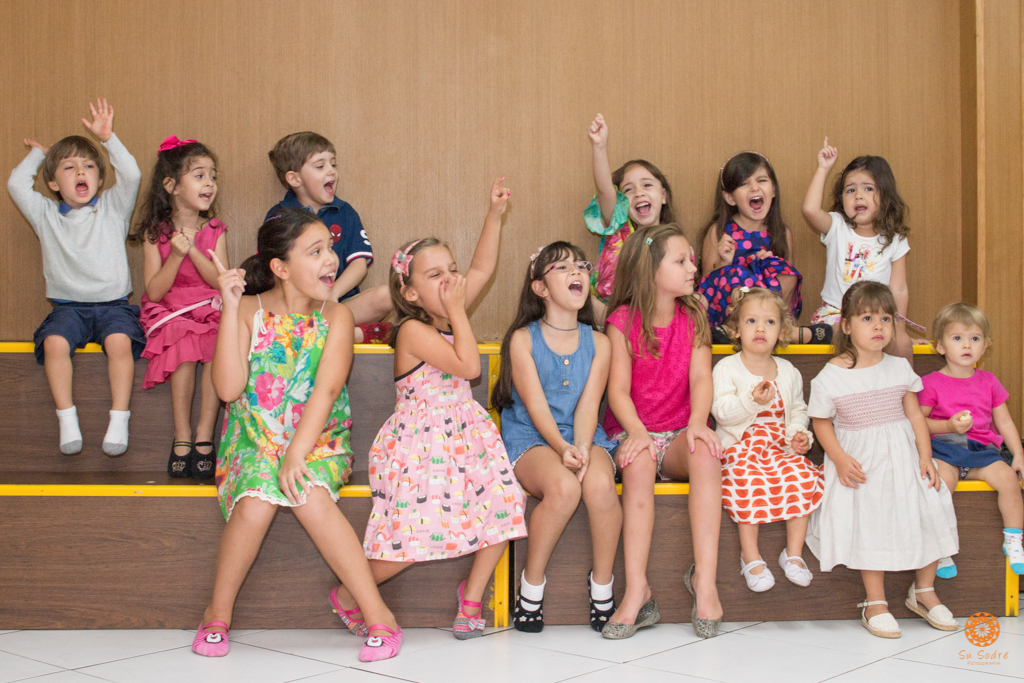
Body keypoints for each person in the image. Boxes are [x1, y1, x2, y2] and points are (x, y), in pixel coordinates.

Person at [194, 210, 402, 662]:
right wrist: (230, 310)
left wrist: (296, 454)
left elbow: (327, 390)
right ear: (280, 268)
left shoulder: (339, 316)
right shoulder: (249, 310)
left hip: (318, 436)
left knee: (309, 495)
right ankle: (217, 612)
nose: (332, 260)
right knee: (255, 500)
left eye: (329, 248)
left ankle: (380, 617)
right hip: (252, 437)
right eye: (317, 252)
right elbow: (228, 389)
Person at [806, 281, 959, 639]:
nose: (878, 326)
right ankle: (874, 601)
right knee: (871, 521)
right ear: (846, 325)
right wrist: (840, 459)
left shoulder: (899, 368)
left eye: (886, 318)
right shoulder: (832, 375)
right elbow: (821, 422)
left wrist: (925, 457)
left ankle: (923, 590)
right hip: (862, 462)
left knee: (927, 508)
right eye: (867, 318)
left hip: (903, 456)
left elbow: (916, 416)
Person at [492, 241, 623, 632]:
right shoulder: (523, 339)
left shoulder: (600, 342)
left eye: (581, 266)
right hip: (533, 435)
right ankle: (530, 588)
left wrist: (581, 447)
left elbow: (588, 406)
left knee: (599, 485)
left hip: (580, 433)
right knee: (565, 489)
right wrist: (562, 448)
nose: (577, 272)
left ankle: (602, 586)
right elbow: (534, 406)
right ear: (541, 289)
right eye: (562, 268)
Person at [7, 98, 143, 456]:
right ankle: (67, 419)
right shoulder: (45, 215)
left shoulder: (112, 208)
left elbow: (132, 174)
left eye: (87, 166)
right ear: (53, 183)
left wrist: (108, 139)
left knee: (118, 343)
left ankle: (119, 418)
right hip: (68, 308)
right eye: (69, 167)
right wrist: (38, 155)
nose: (80, 172)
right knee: (54, 344)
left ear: (99, 178)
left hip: (114, 305)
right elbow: (17, 185)